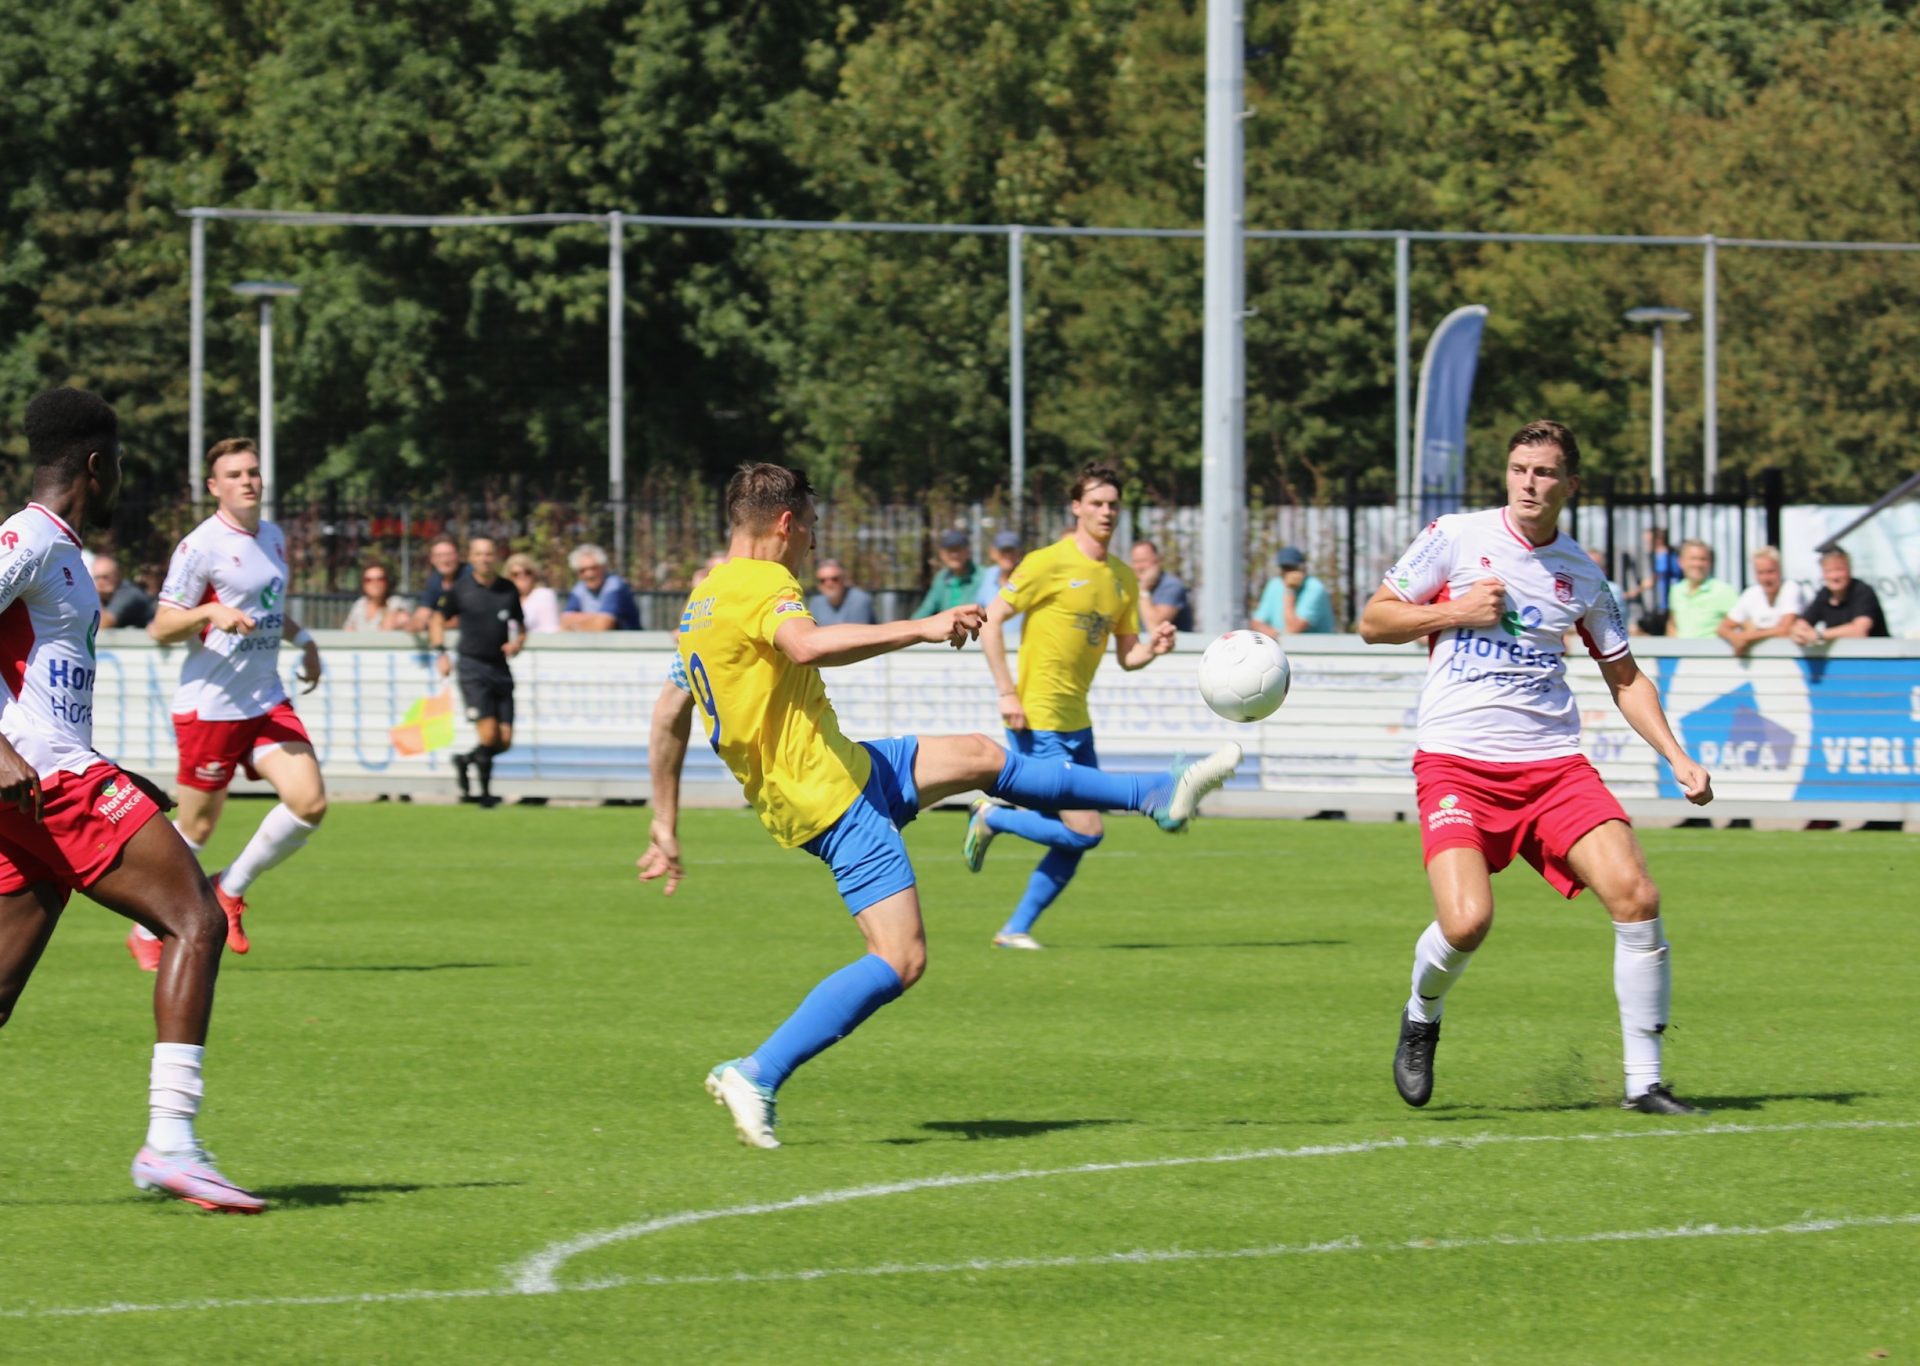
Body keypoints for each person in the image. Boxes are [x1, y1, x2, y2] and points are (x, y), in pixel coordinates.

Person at [637, 463, 1240, 1148]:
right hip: (827, 797)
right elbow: (805, 646)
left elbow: (668, 713)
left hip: (848, 767)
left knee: (984, 754)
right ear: (786, 522)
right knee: (900, 958)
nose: (810, 541)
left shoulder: (703, 599)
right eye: (810, 525)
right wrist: (922, 626)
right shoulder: (768, 583)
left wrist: (664, 823)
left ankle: (1158, 793)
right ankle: (758, 1072)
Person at [1358, 419, 1713, 1118]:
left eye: (1545, 472)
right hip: (1457, 762)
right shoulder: (1455, 537)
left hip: (1552, 766)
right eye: (1520, 468)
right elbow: (1374, 618)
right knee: (1466, 923)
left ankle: (1645, 1083)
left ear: (1569, 485)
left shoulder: (1583, 576)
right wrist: (1455, 611)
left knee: (1636, 894)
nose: (1529, 482)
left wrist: (1677, 755)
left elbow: (1626, 676)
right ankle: (1422, 1011)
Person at [1, 388, 262, 1211]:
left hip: (45, 781)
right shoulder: (31, 538)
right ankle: (172, 1143)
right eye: (118, 467)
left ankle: (173, 1146)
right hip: (46, 780)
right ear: (95, 464)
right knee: (198, 918)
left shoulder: (59, 549)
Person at [966, 465, 1193, 951]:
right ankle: (991, 817)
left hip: (1077, 725)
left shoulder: (1123, 579)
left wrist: (1155, 648)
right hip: (1037, 718)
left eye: (1113, 504)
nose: (1106, 511)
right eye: (1096, 503)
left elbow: (1128, 656)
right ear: (1076, 508)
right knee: (1086, 830)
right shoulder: (1047, 562)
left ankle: (1014, 930)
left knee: (1074, 842)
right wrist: (1007, 691)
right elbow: (990, 622)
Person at [135, 437, 326, 970]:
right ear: (215, 487)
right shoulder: (201, 546)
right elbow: (161, 625)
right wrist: (207, 615)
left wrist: (305, 641)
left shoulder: (274, 536)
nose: (248, 480)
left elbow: (268, 608)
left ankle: (229, 890)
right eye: (235, 474)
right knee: (195, 830)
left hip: (264, 697)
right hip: (212, 705)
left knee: (309, 803)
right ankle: (144, 924)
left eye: (254, 472)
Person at [429, 537, 525, 807]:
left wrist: (517, 642)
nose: (485, 558)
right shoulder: (461, 589)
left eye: (489, 553)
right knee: (489, 734)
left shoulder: (508, 590)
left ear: (496, 557)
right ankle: (484, 794)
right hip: (473, 667)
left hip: (500, 668)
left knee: (504, 741)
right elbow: (437, 619)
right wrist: (441, 652)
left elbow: (520, 625)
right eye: (479, 554)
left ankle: (464, 760)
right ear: (470, 559)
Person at [1718, 546, 1805, 656]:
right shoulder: (1751, 593)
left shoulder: (1791, 587)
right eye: (1760, 573)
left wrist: (1747, 636)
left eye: (1770, 572)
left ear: (1780, 570)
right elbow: (1722, 628)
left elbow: (1785, 630)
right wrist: (1735, 639)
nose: (1766, 578)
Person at [1790, 548, 1889, 645]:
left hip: (1875, 657)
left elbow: (1859, 631)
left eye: (1839, 570)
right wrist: (1800, 633)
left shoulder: (1862, 591)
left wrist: (1819, 635)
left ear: (1850, 570)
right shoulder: (1824, 593)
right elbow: (1801, 624)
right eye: (1829, 571)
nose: (1834, 577)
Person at [1251, 546, 1335, 636]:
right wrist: (1274, 634)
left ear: (1303, 569)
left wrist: (1289, 591)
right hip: (1281, 645)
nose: (1289, 573)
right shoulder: (1274, 585)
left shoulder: (1314, 588)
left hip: (1314, 648)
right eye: (1285, 568)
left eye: (1293, 568)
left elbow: (1293, 629)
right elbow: (1256, 623)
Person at [1665, 540, 1738, 639]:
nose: (1697, 564)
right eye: (1693, 559)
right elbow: (1673, 623)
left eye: (1703, 559)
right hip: (1682, 653)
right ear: (1681, 562)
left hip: (1712, 653)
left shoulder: (1723, 590)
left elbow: (1743, 624)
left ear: (1710, 563)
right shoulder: (1676, 590)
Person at [561, 542, 640, 630]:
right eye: (582, 570)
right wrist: (596, 619)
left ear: (603, 567)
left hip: (629, 642)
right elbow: (565, 622)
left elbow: (603, 626)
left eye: (593, 568)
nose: (589, 574)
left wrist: (576, 623)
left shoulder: (615, 586)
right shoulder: (579, 589)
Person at [911, 530, 985, 618]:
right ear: (942, 554)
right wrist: (909, 627)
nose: (955, 555)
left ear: (967, 551)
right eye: (950, 550)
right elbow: (927, 608)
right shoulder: (941, 577)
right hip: (947, 629)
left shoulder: (984, 576)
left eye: (958, 549)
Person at [406, 535, 468, 632]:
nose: (444, 560)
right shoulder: (434, 580)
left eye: (449, 554)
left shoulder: (471, 576)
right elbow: (423, 611)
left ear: (458, 555)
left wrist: (437, 623)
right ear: (432, 559)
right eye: (439, 556)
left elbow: (471, 616)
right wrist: (414, 622)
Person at [1130, 539, 1194, 632]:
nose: (1139, 567)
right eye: (1136, 562)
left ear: (1158, 561)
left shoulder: (1172, 586)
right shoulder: (1130, 585)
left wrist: (1144, 590)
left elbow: (1155, 628)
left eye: (1143, 561)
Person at [975, 530, 1024, 648]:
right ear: (994, 553)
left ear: (1019, 553)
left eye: (1011, 551)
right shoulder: (987, 576)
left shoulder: (1027, 576)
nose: (1008, 556)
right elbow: (977, 609)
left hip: (1020, 645)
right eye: (1003, 551)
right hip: (990, 644)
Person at [1631, 526, 1682, 636]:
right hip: (1654, 605)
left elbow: (1656, 577)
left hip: (1665, 603)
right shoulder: (1652, 556)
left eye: (1649, 541)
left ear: (1658, 540)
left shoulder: (1667, 556)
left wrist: (1637, 590)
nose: (1646, 544)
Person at [341, 562, 413, 632]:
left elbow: (406, 621)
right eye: (368, 580)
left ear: (387, 582)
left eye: (380, 579)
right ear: (363, 584)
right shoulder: (360, 604)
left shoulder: (395, 602)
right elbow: (347, 631)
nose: (375, 583)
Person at [91, 553, 154, 630]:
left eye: (105, 577)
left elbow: (102, 624)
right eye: (97, 578)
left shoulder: (129, 594)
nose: (100, 582)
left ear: (117, 575)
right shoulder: (106, 597)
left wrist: (95, 596)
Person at [503, 552, 561, 634]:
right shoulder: (505, 599)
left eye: (527, 572)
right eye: (515, 574)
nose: (522, 577)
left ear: (534, 574)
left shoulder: (543, 595)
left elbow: (551, 630)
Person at [807, 557, 876, 625]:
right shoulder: (816, 603)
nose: (829, 584)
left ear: (844, 579)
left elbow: (855, 632)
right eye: (822, 580)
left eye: (834, 579)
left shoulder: (860, 599)